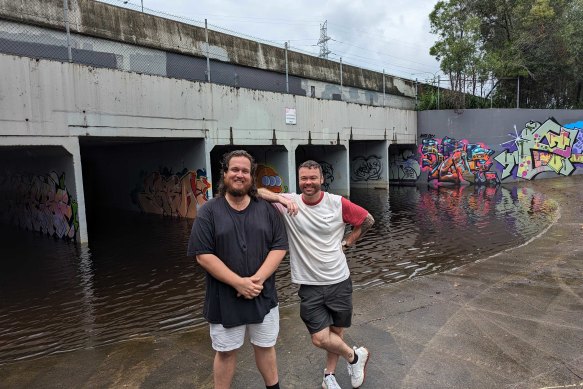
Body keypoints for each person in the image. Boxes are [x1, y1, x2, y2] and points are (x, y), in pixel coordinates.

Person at [258, 160, 375, 389]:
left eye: (313, 178)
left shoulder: (336, 203)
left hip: (339, 279)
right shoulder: (289, 203)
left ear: (322, 179)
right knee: (319, 338)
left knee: (336, 332)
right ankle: (355, 356)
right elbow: (257, 192)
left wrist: (348, 242)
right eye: (304, 178)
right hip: (309, 284)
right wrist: (280, 197)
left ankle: (329, 376)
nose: (308, 182)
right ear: (298, 180)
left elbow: (368, 220)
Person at [188, 150, 288, 389]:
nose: (239, 175)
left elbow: (279, 246)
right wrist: (238, 282)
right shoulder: (208, 212)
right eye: (234, 169)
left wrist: (257, 280)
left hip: (262, 295)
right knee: (225, 352)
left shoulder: (267, 209)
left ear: (251, 177)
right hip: (224, 299)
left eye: (245, 171)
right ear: (224, 174)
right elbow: (203, 255)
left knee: (265, 346)